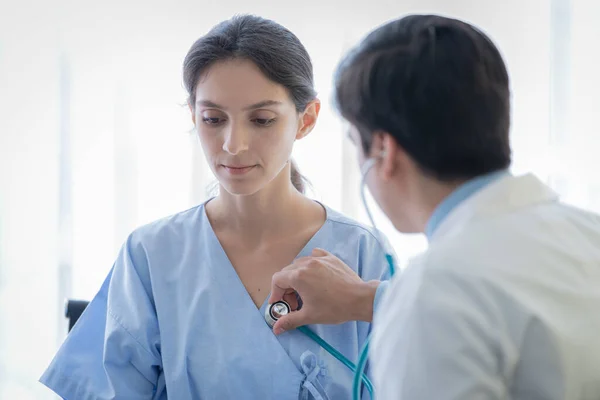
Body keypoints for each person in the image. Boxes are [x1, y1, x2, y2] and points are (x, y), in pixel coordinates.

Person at [40, 14, 393, 400]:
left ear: (305, 120)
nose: (233, 144)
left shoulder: (363, 254)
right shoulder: (152, 255)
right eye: (213, 119)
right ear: (193, 116)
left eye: (261, 120)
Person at [269, 14, 600, 400]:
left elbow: (457, 304)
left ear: (383, 151)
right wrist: (371, 299)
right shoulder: (587, 231)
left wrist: (402, 302)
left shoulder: (432, 296)